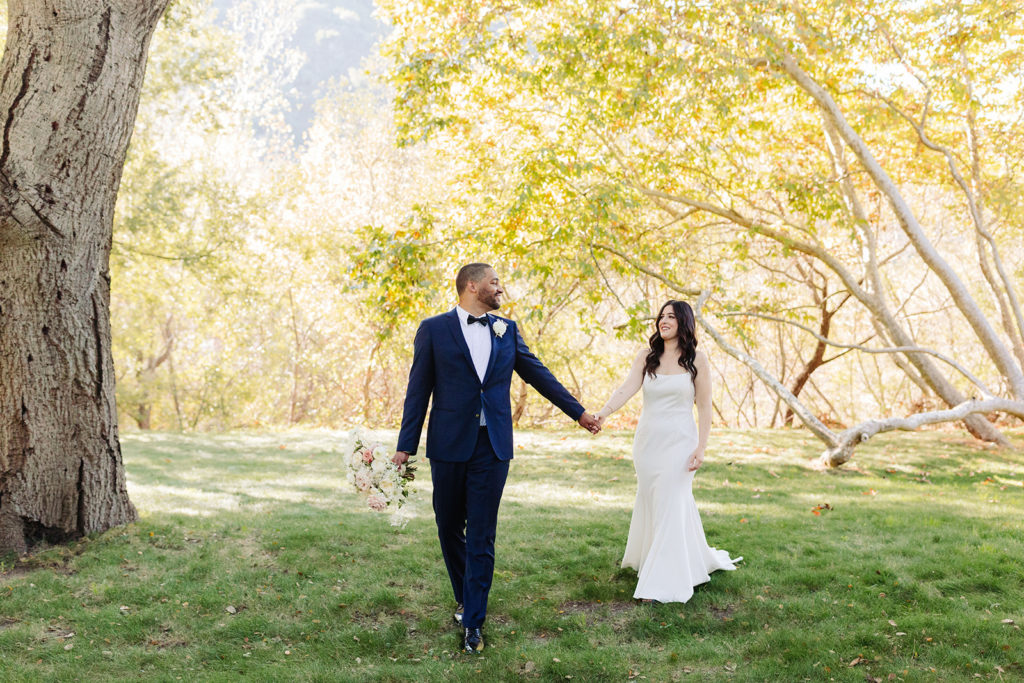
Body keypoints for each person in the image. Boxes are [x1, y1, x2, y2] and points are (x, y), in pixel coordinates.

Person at [392, 263, 602, 653]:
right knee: (449, 524)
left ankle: (474, 621)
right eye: (494, 281)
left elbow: (539, 375)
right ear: (472, 286)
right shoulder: (434, 329)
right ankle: (464, 595)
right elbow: (417, 390)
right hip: (449, 444)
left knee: (482, 534)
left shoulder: (507, 330)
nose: (499, 288)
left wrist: (579, 413)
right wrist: (406, 445)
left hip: (493, 448)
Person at [596, 300, 740, 603]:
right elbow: (626, 388)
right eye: (662, 316)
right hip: (648, 443)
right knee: (656, 503)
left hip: (681, 443)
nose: (664, 320)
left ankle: (662, 584)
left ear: (683, 322)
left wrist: (702, 447)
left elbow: (703, 406)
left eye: (671, 316)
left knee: (672, 502)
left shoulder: (697, 359)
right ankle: (665, 561)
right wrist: (604, 413)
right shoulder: (646, 357)